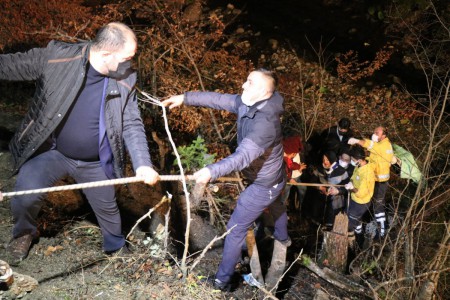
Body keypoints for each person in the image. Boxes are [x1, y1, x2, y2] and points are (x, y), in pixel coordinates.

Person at [0, 22, 159, 264]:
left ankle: (115, 247)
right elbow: (12, 65)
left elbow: (131, 123)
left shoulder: (126, 78)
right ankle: (24, 234)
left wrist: (143, 164)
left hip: (95, 161)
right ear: (106, 54)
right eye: (126, 57)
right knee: (25, 196)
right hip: (53, 151)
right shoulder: (58, 58)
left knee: (109, 212)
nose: (129, 63)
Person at [163, 68, 289, 291]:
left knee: (235, 229)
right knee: (276, 202)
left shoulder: (265, 125)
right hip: (272, 175)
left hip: (264, 183)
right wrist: (185, 98)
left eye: (249, 82)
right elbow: (218, 99)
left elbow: (242, 157)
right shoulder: (249, 102)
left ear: (263, 91)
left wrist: (213, 170)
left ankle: (222, 281)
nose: (243, 85)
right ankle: (282, 236)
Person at [348, 126, 394, 240]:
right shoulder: (383, 145)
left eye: (377, 132)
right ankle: (363, 232)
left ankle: (382, 233)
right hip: (376, 178)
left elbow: (369, 145)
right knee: (371, 203)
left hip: (379, 181)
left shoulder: (383, 145)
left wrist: (357, 141)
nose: (374, 134)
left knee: (378, 206)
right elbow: (374, 157)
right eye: (374, 132)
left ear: (384, 135)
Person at [345, 145, 376, 249]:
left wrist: (352, 187)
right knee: (356, 221)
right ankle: (359, 237)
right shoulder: (359, 166)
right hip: (354, 199)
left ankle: (352, 245)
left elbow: (360, 192)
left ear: (358, 159)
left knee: (349, 223)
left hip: (361, 202)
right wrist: (351, 182)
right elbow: (354, 177)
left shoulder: (367, 174)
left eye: (353, 159)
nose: (351, 161)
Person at [281, 135, 307, 211]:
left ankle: (301, 206)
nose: (295, 155)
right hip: (286, 180)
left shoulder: (294, 153)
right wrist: (289, 179)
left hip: (296, 176)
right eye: (294, 154)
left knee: (303, 189)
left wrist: (299, 167)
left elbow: (292, 165)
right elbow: (283, 171)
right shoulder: (281, 159)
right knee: (285, 193)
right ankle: (281, 207)